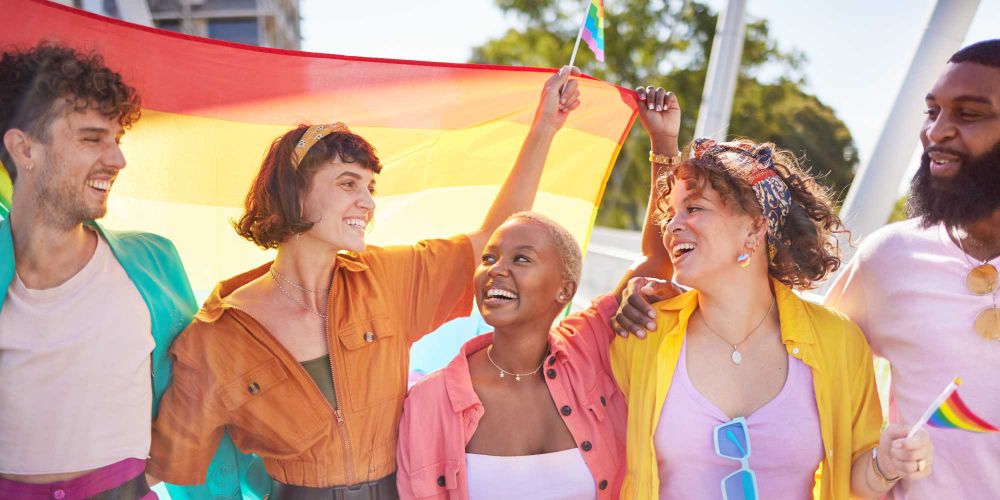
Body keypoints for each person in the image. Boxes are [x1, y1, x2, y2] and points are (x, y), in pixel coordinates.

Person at [147, 68, 583, 498]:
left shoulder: (386, 279)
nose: (367, 202)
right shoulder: (216, 336)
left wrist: (545, 127)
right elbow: (169, 465)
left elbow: (491, 239)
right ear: (294, 192)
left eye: (371, 187)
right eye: (348, 184)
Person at [395, 86, 680, 500]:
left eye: (522, 259)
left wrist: (664, 143)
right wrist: (545, 126)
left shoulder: (591, 350)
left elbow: (658, 258)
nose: (497, 271)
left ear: (565, 289)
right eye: (489, 258)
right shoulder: (430, 401)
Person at [609, 136, 934, 499]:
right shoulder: (643, 331)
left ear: (754, 228)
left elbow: (854, 479)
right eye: (671, 214)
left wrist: (885, 463)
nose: (672, 227)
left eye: (694, 208)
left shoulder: (838, 341)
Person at [0, 44, 258, 499]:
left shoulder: (153, 262)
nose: (117, 159)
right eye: (92, 138)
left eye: (117, 140)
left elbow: (201, 397)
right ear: (24, 149)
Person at [824, 39, 1000, 500]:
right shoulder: (890, 257)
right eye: (932, 111)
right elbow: (800, 358)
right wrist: (672, 297)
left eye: (969, 113)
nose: (936, 132)